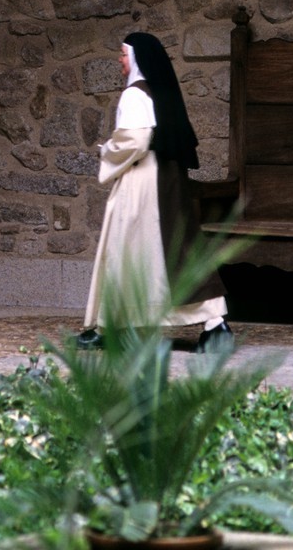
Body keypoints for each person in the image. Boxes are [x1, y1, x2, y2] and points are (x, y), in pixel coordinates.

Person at [80, 31, 232, 350]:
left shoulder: (135, 94)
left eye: (123, 54)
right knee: (171, 252)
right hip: (165, 178)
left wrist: (107, 150)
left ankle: (116, 327)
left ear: (137, 58)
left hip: (143, 181)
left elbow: (135, 141)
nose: (119, 60)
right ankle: (214, 322)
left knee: (129, 248)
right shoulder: (158, 91)